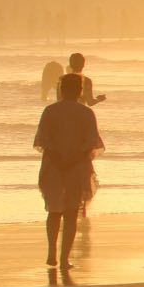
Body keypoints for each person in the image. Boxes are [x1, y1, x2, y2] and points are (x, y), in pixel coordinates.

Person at [33, 73, 105, 269]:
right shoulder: (86, 113)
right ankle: (65, 259)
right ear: (80, 91)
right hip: (77, 166)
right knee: (72, 212)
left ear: (61, 90)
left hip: (53, 166)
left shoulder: (50, 111)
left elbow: (43, 141)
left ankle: (51, 254)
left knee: (54, 211)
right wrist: (72, 160)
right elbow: (91, 143)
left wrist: (58, 159)